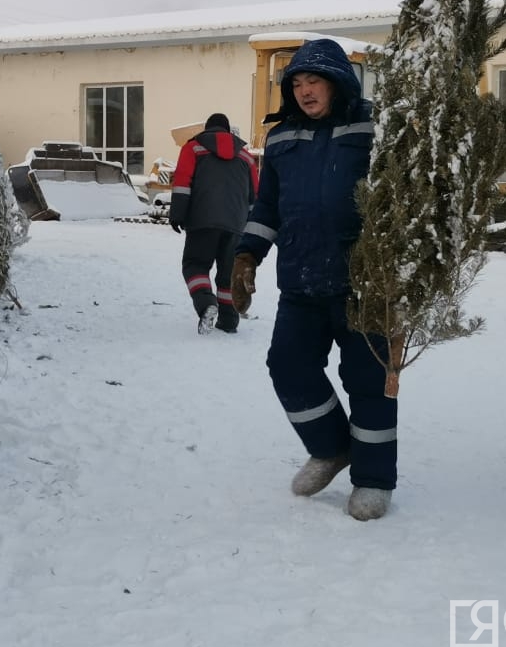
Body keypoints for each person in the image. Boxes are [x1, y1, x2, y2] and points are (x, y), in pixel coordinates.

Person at [230, 38, 396, 521]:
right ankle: (330, 448)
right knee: (287, 365)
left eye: (313, 81)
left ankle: (373, 479)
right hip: (300, 278)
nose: (304, 91)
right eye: (296, 83)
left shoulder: (375, 128)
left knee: (368, 382)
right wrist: (246, 255)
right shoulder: (281, 138)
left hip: (366, 279)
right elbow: (268, 207)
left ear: (338, 82)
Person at [169, 113, 258, 335]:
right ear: (228, 130)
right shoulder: (246, 157)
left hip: (202, 220)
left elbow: (182, 181)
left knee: (195, 265)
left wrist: (177, 214)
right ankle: (228, 321)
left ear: (207, 128)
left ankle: (206, 302)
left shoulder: (194, 148)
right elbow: (254, 195)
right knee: (228, 273)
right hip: (236, 224)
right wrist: (250, 226)